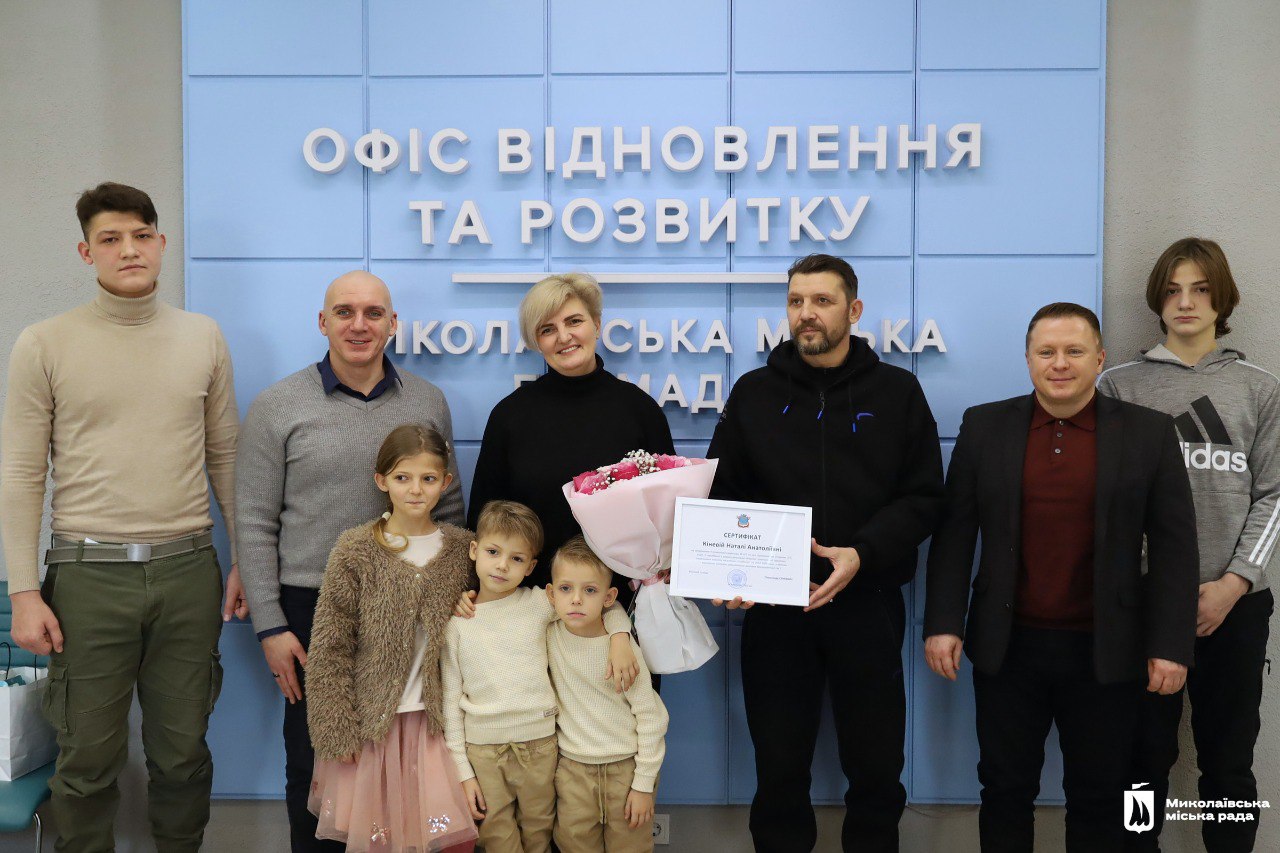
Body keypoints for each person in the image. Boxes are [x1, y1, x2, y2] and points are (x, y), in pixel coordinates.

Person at [0, 182, 247, 851]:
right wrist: (24, 591)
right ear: (87, 252)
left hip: (188, 571)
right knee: (86, 762)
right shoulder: (44, 343)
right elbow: (21, 474)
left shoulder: (202, 337)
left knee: (183, 754)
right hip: (87, 578)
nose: (128, 249)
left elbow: (226, 457)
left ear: (161, 243)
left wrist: (246, 562)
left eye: (141, 235)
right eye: (110, 238)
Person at [923, 302, 1199, 853]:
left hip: (1106, 652)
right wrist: (944, 623)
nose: (1059, 363)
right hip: (1008, 650)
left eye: (1074, 351)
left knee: (1099, 797)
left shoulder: (1148, 433)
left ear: (1099, 359)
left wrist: (1171, 645)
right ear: (1027, 359)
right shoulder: (984, 426)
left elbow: (1175, 548)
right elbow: (954, 534)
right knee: (1004, 790)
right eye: (1046, 351)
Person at [708, 253, 944, 852]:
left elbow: (924, 497)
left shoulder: (897, 391)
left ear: (853, 309)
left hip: (868, 604)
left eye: (822, 300)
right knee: (778, 771)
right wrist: (730, 572)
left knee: (876, 769)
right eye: (796, 301)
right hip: (775, 612)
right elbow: (722, 494)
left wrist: (862, 553)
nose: (806, 313)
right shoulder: (754, 393)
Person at [235, 270, 465, 852]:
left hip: (411, 604)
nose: (358, 325)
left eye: (372, 313)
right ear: (323, 322)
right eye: (344, 312)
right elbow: (254, 521)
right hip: (310, 608)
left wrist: (452, 599)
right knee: (316, 762)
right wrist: (271, 627)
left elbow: (451, 509)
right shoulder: (278, 405)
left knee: (408, 761)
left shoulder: (427, 401)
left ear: (392, 324)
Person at [1098, 238, 1277, 851]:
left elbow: (1274, 495)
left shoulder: (1260, 388)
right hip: (1145, 605)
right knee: (1141, 762)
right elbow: (1109, 505)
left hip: (1236, 605)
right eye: (1173, 290)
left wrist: (1234, 582)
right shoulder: (1118, 387)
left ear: (1222, 298)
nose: (1186, 302)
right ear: (1157, 299)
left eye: (1200, 289)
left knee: (1229, 765)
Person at [304, 424, 478, 853]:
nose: (415, 489)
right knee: (381, 838)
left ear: (446, 482)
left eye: (428, 478)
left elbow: (492, 613)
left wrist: (472, 601)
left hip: (439, 727)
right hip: (374, 728)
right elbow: (330, 647)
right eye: (403, 477)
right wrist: (336, 729)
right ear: (382, 480)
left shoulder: (466, 550)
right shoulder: (355, 550)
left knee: (445, 837)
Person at [467, 273, 674, 605]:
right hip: (526, 603)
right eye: (547, 329)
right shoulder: (509, 416)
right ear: (537, 342)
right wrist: (473, 590)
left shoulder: (640, 410)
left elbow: (667, 517)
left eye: (574, 321)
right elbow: (483, 516)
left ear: (596, 324)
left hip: (616, 605)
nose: (563, 336)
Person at [443, 501, 637, 853]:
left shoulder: (538, 603)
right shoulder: (457, 622)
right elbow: (450, 702)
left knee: (539, 834)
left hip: (541, 745)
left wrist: (621, 636)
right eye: (493, 552)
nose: (502, 565)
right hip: (482, 751)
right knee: (496, 837)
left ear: (531, 567)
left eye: (516, 558)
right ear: (474, 551)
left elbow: (602, 604)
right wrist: (462, 771)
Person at [546, 536, 668, 853]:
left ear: (608, 596)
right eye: (565, 588)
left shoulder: (624, 652)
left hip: (625, 770)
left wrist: (643, 786)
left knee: (631, 846)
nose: (576, 599)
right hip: (572, 771)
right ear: (551, 594)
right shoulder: (548, 633)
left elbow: (651, 718)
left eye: (589, 590)